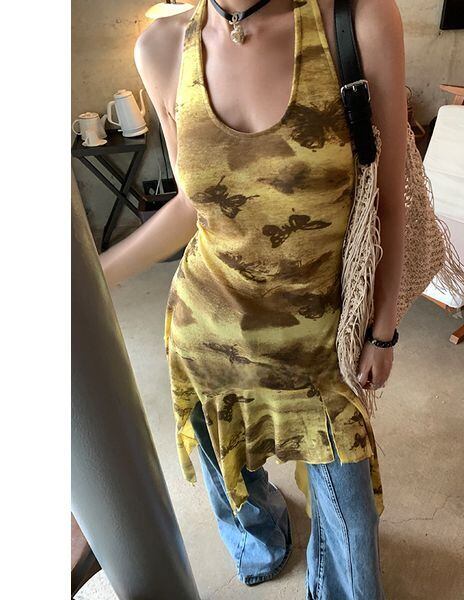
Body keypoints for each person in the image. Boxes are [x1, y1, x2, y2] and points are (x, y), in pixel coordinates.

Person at [100, 0, 407, 597]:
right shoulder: (161, 47)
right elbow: (191, 204)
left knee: (352, 534)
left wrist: (382, 328)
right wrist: (92, 279)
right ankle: (261, 536)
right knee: (230, 469)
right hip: (206, 329)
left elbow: (390, 199)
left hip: (322, 344)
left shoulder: (358, 20)